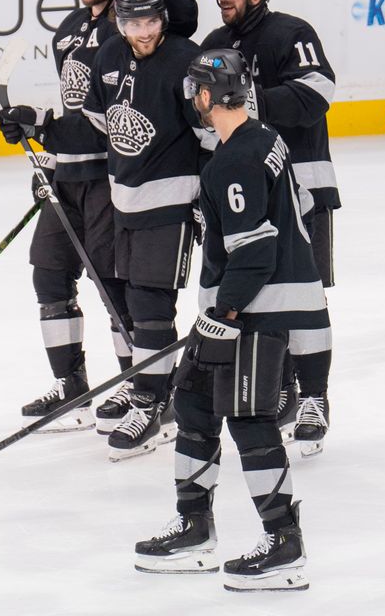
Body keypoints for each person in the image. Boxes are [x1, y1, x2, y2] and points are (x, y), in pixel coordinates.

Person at [0, 0, 199, 437]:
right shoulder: (69, 28)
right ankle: (71, 387)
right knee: (49, 275)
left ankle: (138, 386)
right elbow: (78, 113)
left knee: (117, 286)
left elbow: (185, 19)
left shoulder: (129, 29)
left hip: (111, 177)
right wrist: (46, 152)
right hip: (68, 173)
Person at [134, 48, 320, 592]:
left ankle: (283, 542)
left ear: (207, 95)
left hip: (255, 308)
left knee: (249, 419)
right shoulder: (263, 137)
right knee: (193, 403)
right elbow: (301, 207)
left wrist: (225, 314)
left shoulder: (233, 160)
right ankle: (193, 526)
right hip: (243, 304)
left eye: (195, 90)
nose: (191, 98)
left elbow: (256, 252)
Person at [200, 0, 335, 456]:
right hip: (245, 195)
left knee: (304, 297)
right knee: (258, 296)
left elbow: (316, 95)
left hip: (302, 185)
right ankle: (282, 386)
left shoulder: (291, 33)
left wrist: (240, 99)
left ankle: (315, 397)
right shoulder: (214, 44)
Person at [81, 0, 210, 462]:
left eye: (152, 21)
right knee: (127, 302)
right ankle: (149, 389)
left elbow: (210, 133)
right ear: (120, 22)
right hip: (123, 200)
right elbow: (100, 122)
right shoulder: (109, 55)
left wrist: (206, 196)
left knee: (151, 305)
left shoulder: (186, 59)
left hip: (172, 200)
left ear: (164, 18)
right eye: (134, 23)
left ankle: (152, 406)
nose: (144, 31)